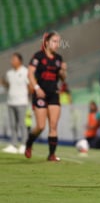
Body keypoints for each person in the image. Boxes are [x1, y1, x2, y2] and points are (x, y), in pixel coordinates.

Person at [25, 31, 67, 161]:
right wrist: (36, 88)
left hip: (53, 93)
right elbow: (30, 73)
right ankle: (29, 143)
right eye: (54, 41)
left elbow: (63, 78)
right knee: (41, 126)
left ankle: (51, 155)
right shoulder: (38, 56)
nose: (57, 44)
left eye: (58, 42)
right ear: (47, 42)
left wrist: (63, 70)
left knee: (53, 126)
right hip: (40, 94)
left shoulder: (59, 59)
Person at [2, 53, 30, 154]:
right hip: (11, 101)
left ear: (19, 60)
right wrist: (3, 82)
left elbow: (30, 86)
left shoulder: (25, 71)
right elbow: (8, 86)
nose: (11, 61)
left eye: (13, 59)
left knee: (22, 124)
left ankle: (24, 144)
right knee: (13, 124)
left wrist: (29, 97)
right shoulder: (9, 73)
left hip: (21, 101)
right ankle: (13, 144)